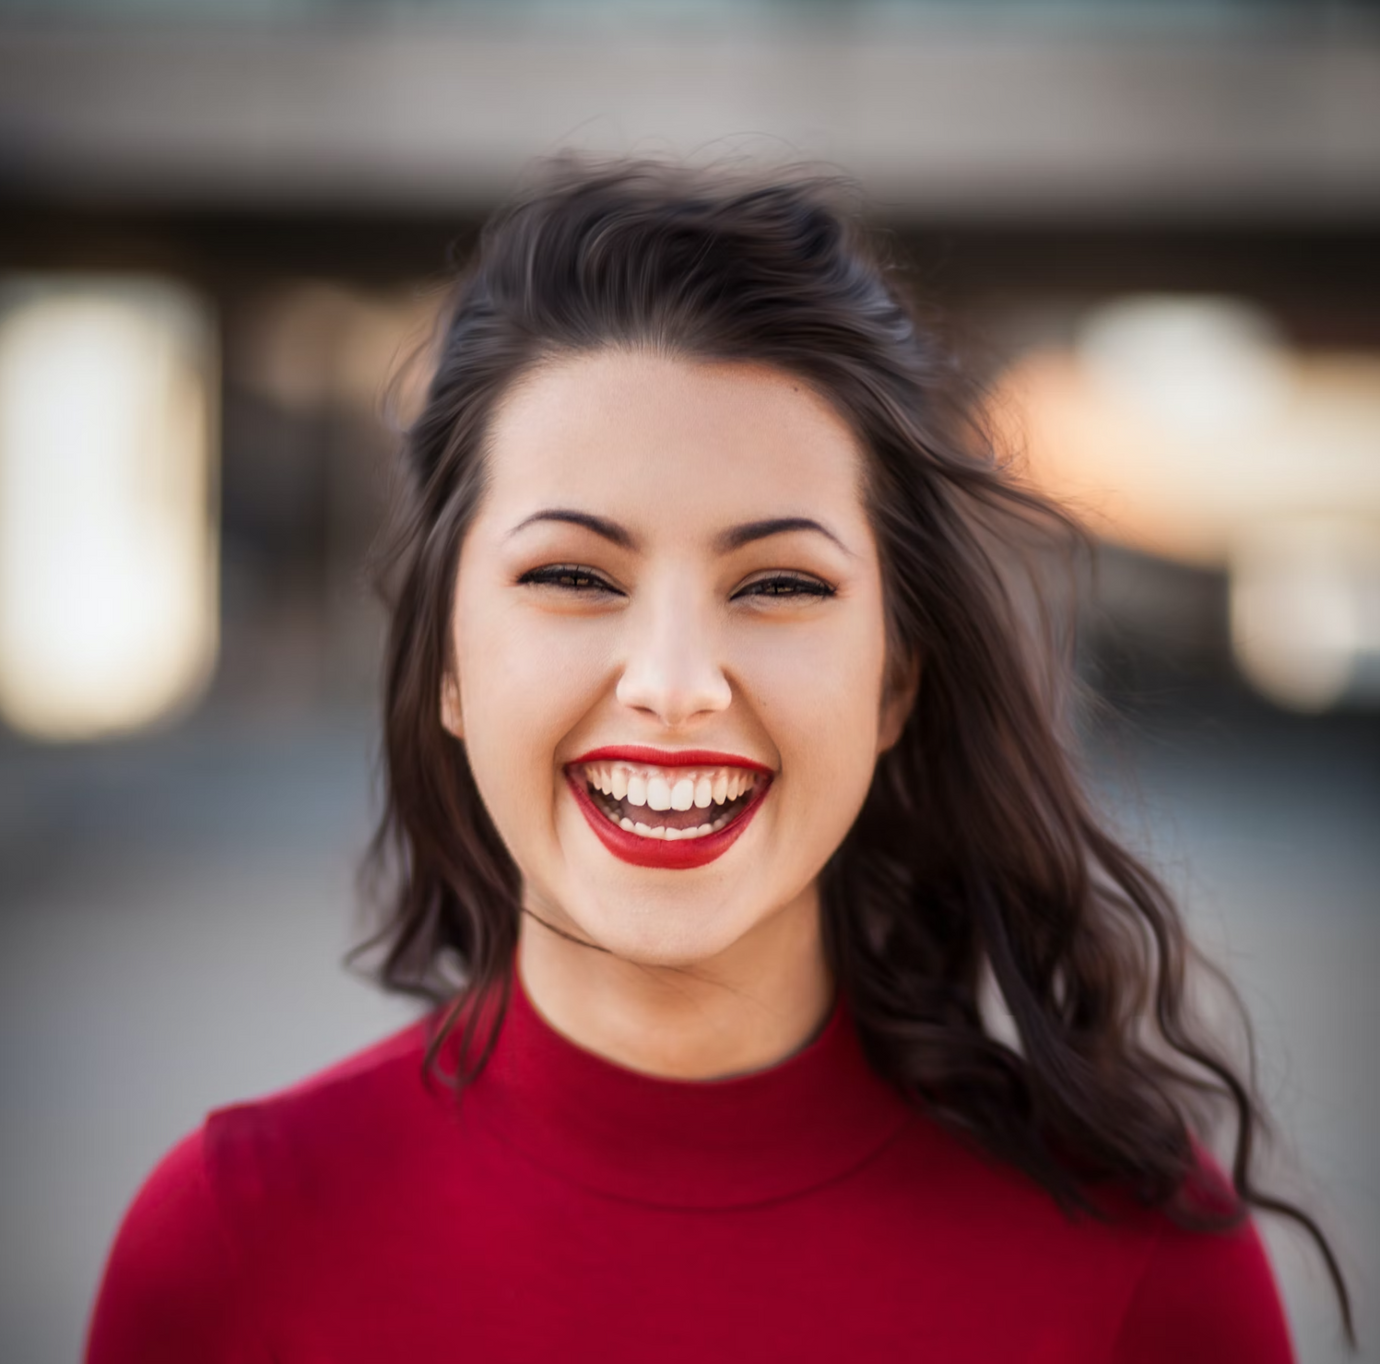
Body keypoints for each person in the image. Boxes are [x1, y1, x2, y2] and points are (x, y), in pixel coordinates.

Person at [85, 157, 1351, 1362]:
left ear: (896, 677)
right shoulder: (236, 1241)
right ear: (448, 665)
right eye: (574, 575)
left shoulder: (1140, 1256)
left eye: (781, 583)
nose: (677, 684)